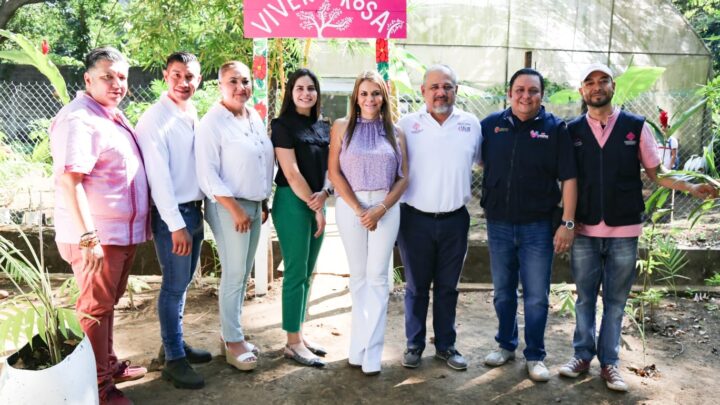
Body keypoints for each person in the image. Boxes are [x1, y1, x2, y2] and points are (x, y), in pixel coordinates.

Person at [559, 63, 717, 392]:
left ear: (613, 87)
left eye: (603, 80)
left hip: (624, 232)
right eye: (590, 82)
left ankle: (611, 363)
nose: (597, 86)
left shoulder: (636, 127)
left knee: (615, 302)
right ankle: (582, 356)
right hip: (586, 232)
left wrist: (691, 185)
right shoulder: (571, 131)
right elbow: (567, 180)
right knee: (585, 299)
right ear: (582, 91)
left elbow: (657, 174)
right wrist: (567, 222)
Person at [50, 46, 149, 405]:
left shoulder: (109, 115)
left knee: (106, 305)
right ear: (88, 78)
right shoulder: (80, 119)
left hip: (120, 235)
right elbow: (70, 180)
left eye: (122, 77)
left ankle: (106, 365)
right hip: (97, 237)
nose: (117, 83)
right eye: (108, 76)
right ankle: (98, 387)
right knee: (94, 309)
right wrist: (88, 236)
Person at [480, 68, 577, 382]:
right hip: (499, 224)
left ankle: (535, 355)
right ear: (509, 93)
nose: (525, 96)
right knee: (503, 293)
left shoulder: (555, 129)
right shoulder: (490, 126)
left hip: (538, 226)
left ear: (541, 94)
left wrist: (567, 222)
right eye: (519, 89)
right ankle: (506, 345)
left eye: (533, 90)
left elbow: (569, 178)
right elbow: (475, 160)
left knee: (536, 295)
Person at [396, 64, 481, 371]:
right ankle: (414, 344)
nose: (440, 92)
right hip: (414, 219)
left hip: (455, 219)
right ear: (423, 91)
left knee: (447, 287)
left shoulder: (471, 124)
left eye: (447, 86)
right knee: (416, 287)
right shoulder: (406, 124)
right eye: (434, 87)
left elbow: (482, 162)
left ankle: (446, 346)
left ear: (456, 90)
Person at [135, 52, 210, 389]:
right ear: (165, 75)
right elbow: (159, 178)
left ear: (199, 79)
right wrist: (176, 224)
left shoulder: (190, 110)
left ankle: (173, 346)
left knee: (183, 285)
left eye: (190, 76)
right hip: (174, 216)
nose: (184, 82)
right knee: (173, 287)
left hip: (194, 210)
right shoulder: (154, 120)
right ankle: (174, 361)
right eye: (177, 75)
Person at [329, 70, 409, 375]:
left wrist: (380, 208)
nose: (370, 99)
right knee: (359, 277)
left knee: (378, 278)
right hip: (351, 205)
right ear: (355, 97)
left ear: (383, 97)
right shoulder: (341, 127)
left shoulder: (396, 132)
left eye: (375, 93)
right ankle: (357, 347)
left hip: (385, 207)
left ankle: (372, 352)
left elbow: (403, 177)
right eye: (364, 93)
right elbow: (334, 173)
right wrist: (359, 208)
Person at [195, 61, 273, 372]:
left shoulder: (252, 114)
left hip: (253, 206)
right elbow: (207, 174)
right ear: (220, 86)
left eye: (245, 81)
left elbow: (259, 160)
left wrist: (262, 201)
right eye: (233, 82)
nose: (241, 87)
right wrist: (236, 209)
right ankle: (232, 340)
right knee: (235, 273)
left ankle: (233, 332)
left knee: (243, 275)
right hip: (229, 207)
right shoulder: (211, 123)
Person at [270, 68, 330, 368]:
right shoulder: (282, 126)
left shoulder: (322, 126)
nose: (306, 93)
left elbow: (331, 168)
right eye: (299, 88)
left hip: (318, 199)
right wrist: (316, 207)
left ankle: (301, 335)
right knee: (295, 272)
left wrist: (325, 196)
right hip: (294, 202)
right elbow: (292, 173)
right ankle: (292, 343)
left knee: (308, 272)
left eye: (311, 88)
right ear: (291, 93)